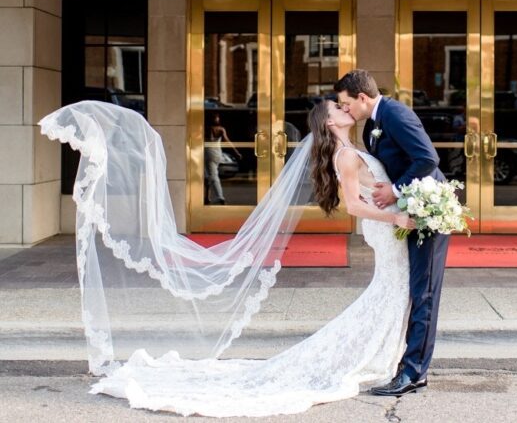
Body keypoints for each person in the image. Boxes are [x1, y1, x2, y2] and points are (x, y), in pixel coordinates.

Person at [38, 99, 416, 418]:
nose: (345, 106)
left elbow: (373, 190)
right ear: (330, 121)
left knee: (391, 292)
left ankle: (387, 353)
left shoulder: (357, 147)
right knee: (390, 291)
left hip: (388, 231)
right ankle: (378, 356)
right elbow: (353, 204)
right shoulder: (346, 155)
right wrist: (397, 215)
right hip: (388, 229)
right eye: (338, 105)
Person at [334, 69, 448, 397]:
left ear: (362, 98)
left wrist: (396, 191)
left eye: (346, 104)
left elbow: (428, 158)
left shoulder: (395, 114)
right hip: (410, 213)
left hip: (429, 213)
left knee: (424, 291)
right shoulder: (372, 124)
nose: (345, 110)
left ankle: (413, 372)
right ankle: (411, 366)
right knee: (416, 289)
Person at [204, 111, 241, 205]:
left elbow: (210, 139)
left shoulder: (208, 129)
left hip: (209, 153)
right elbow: (227, 141)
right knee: (208, 175)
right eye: (216, 117)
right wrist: (236, 152)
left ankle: (220, 196)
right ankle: (206, 197)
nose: (217, 119)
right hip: (217, 153)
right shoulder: (221, 129)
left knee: (212, 175)